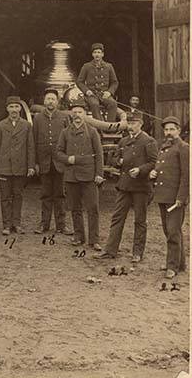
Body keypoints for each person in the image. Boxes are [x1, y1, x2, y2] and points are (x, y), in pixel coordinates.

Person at [95, 113, 158, 262]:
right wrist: (119, 161)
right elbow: (114, 159)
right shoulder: (123, 141)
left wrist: (140, 170)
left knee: (140, 220)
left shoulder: (149, 141)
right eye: (129, 123)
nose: (130, 126)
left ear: (141, 124)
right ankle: (110, 250)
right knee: (117, 218)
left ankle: (137, 253)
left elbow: (154, 162)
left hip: (141, 186)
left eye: (134, 123)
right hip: (124, 186)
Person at [56, 99, 105, 251]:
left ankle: (94, 239)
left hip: (89, 175)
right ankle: (78, 236)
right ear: (71, 114)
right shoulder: (65, 132)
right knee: (75, 208)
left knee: (93, 208)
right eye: (75, 112)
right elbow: (58, 152)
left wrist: (99, 174)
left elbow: (99, 154)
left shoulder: (92, 131)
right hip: (71, 176)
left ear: (85, 114)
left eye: (80, 112)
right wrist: (67, 159)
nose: (77, 115)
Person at [149, 116, 188, 279]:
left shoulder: (184, 148)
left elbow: (187, 175)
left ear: (178, 130)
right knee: (169, 230)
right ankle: (180, 262)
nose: (169, 132)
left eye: (172, 129)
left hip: (175, 198)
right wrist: (153, 174)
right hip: (163, 195)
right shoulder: (164, 147)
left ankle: (172, 266)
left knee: (173, 231)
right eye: (166, 129)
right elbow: (161, 168)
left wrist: (181, 198)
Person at [0, 96, 35, 235]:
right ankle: (6, 225)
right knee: (5, 197)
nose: (14, 110)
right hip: (5, 168)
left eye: (16, 107)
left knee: (18, 196)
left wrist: (30, 166)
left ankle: (16, 223)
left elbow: (30, 147)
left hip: (20, 168)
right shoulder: (0, 126)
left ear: (20, 108)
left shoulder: (27, 126)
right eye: (11, 107)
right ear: (7, 109)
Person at [32, 88, 70, 235]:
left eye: (53, 99)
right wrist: (35, 163)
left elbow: (68, 140)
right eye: (48, 99)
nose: (50, 101)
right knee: (46, 194)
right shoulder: (37, 118)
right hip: (44, 162)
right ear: (44, 101)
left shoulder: (63, 118)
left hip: (60, 162)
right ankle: (44, 224)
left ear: (57, 101)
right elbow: (34, 141)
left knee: (60, 195)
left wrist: (67, 160)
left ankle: (61, 225)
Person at [76, 42, 119, 122]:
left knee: (113, 104)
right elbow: (79, 82)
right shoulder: (86, 66)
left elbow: (114, 82)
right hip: (91, 95)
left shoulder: (109, 66)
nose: (97, 55)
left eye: (99, 52)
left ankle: (110, 126)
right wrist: (87, 91)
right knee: (94, 104)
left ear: (102, 54)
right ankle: (100, 127)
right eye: (95, 52)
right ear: (92, 54)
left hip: (104, 95)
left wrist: (109, 92)